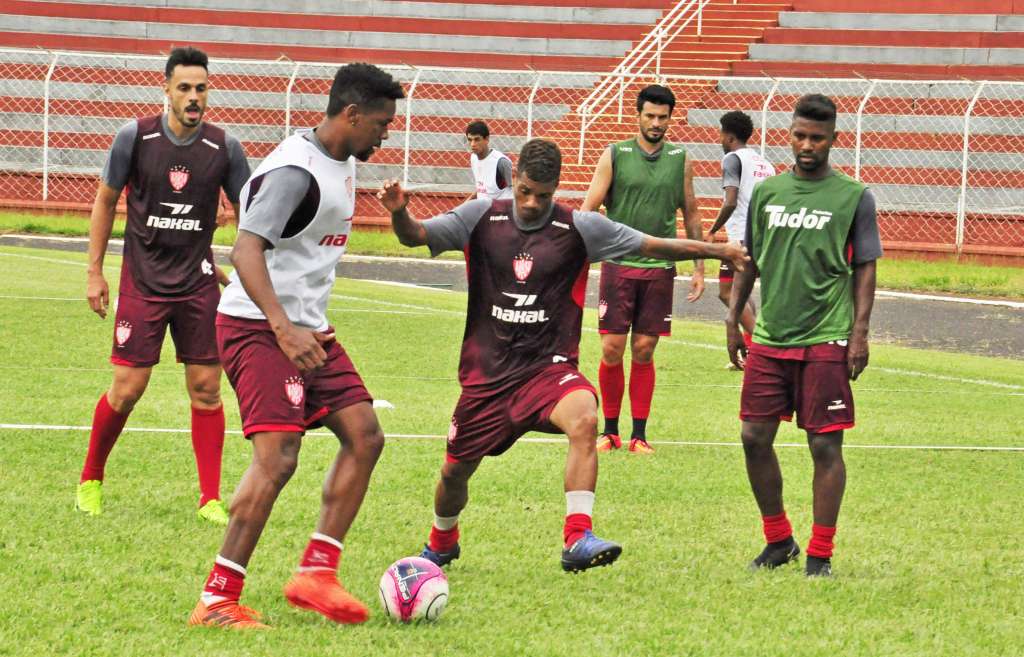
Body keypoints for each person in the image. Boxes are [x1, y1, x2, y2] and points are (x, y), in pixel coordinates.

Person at [378, 139, 747, 574]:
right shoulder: (480, 216)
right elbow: (416, 236)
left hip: (547, 371)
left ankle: (577, 537)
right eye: (525, 191)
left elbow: (651, 245)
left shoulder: (580, 227)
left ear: (557, 190)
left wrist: (717, 250)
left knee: (585, 417)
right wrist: (400, 211)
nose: (533, 202)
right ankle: (442, 540)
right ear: (513, 180)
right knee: (454, 474)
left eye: (544, 194)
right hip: (487, 377)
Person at [188, 62, 404, 629]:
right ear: (351, 115)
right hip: (260, 328)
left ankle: (317, 572)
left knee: (365, 435)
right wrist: (282, 326)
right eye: (381, 124)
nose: (386, 134)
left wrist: (298, 325)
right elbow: (245, 251)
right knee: (278, 456)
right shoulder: (295, 172)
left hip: (308, 329)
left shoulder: (343, 159)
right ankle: (216, 599)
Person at [77, 46, 250, 525]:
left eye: (201, 88)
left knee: (206, 389)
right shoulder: (135, 137)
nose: (194, 97)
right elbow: (105, 202)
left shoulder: (225, 148)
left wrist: (236, 246)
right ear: (167, 90)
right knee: (128, 388)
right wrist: (95, 271)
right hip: (143, 282)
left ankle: (209, 498)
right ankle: (91, 478)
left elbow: (253, 215)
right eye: (184, 88)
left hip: (197, 285)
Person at [726, 94, 882, 578]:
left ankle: (820, 553)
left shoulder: (854, 196)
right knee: (754, 436)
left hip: (826, 337)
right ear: (789, 135)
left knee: (824, 447)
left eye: (817, 137)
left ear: (835, 139)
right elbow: (751, 259)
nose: (807, 145)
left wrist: (859, 333)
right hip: (771, 337)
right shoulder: (769, 193)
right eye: (799, 136)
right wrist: (734, 318)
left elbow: (865, 267)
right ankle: (778, 541)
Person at [580, 84, 704, 454]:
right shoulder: (615, 154)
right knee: (612, 348)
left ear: (670, 119)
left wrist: (698, 266)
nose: (655, 123)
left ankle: (639, 435)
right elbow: (589, 208)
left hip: (659, 267)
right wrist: (578, 255)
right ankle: (610, 431)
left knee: (646, 349)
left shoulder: (680, 158)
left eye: (662, 117)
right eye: (649, 115)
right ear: (637, 115)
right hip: (619, 265)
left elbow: (692, 212)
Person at [707, 110, 773, 364]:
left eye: (721, 135)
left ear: (729, 136)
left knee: (727, 293)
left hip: (740, 239)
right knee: (741, 295)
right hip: (762, 236)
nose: (720, 140)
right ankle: (749, 349)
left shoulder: (732, 159)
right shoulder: (765, 164)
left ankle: (762, 351)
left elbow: (730, 201)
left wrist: (713, 230)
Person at [466, 120, 513, 201]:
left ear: (487, 139)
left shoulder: (501, 162)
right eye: (470, 139)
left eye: (477, 139)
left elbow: (517, 190)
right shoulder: (473, 158)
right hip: (484, 210)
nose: (472, 144)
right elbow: (483, 189)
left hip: (503, 211)